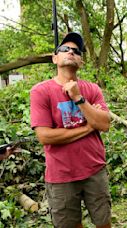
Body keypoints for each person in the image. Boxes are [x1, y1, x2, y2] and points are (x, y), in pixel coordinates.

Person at [30, 32, 112, 228]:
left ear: (81, 61)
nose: (71, 52)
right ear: (55, 58)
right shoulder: (41, 91)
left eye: (76, 51)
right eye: (65, 49)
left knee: (104, 223)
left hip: (95, 171)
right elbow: (45, 136)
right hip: (61, 177)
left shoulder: (91, 89)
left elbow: (105, 124)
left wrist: (78, 98)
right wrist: (90, 125)